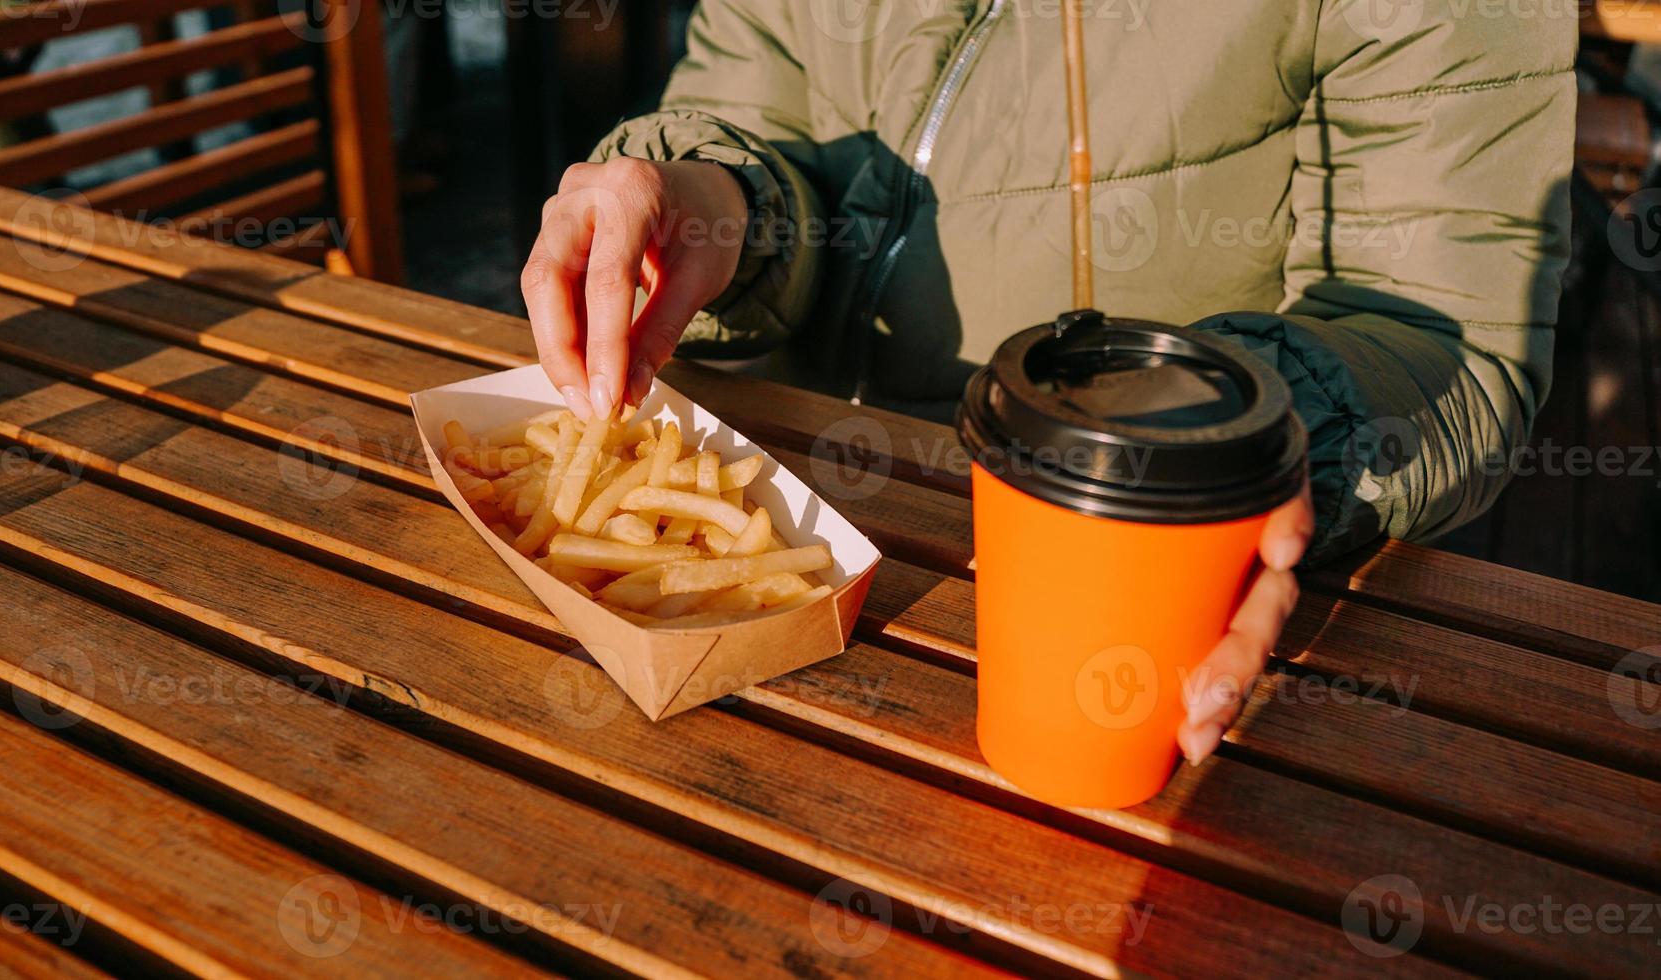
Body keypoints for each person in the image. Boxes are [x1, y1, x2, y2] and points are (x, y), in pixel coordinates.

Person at [522, 1, 1575, 763]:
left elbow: (1436, 333)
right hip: (786, 590)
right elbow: (763, 112)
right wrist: (713, 202)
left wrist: (1226, 453)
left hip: (1158, 627)